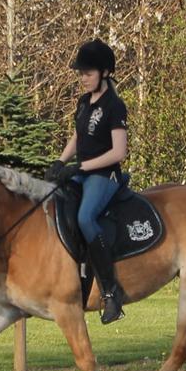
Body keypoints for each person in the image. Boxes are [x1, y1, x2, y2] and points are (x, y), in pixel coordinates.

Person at [45, 39, 129, 324]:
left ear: (104, 73)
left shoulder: (115, 106)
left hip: (105, 176)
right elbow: (79, 136)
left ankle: (110, 292)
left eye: (88, 73)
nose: (82, 78)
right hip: (82, 172)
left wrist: (80, 166)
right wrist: (60, 161)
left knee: (85, 218)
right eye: (80, 74)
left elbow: (119, 152)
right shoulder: (84, 102)